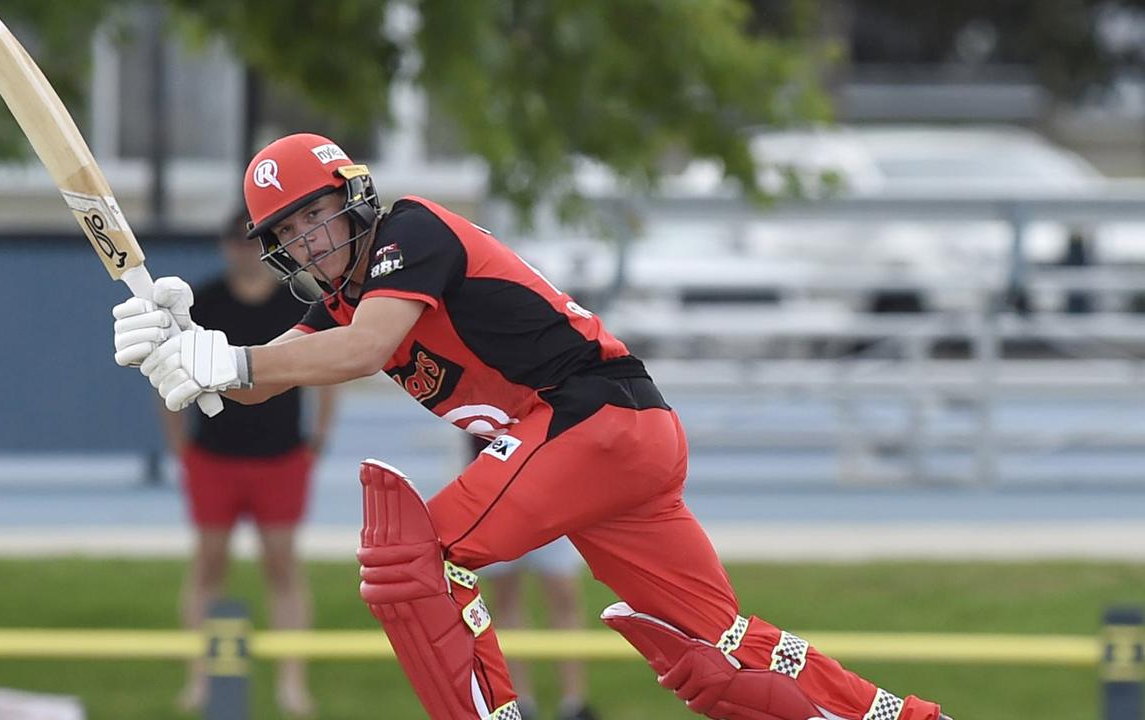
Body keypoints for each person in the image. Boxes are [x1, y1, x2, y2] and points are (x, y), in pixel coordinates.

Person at [111, 133, 951, 720]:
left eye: (314, 216)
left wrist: (237, 363)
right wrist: (186, 351)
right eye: (286, 233)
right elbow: (268, 374)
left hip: (590, 418)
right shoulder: (343, 296)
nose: (306, 239)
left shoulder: (412, 232)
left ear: (354, 199)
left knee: (417, 559)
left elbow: (361, 351)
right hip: (613, 440)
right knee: (717, 647)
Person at [152, 211, 338, 717]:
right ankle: (199, 679)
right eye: (234, 241)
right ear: (225, 247)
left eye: (251, 242)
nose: (242, 250)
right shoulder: (204, 302)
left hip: (280, 454)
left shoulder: (296, 302)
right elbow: (167, 374)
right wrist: (180, 445)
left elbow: (326, 364)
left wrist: (318, 439)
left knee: (282, 566)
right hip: (214, 454)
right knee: (210, 565)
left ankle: (291, 683)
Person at [467, 436, 599, 720]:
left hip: (551, 490)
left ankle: (574, 704)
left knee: (563, 596)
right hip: (496, 492)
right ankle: (518, 703)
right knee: (506, 600)